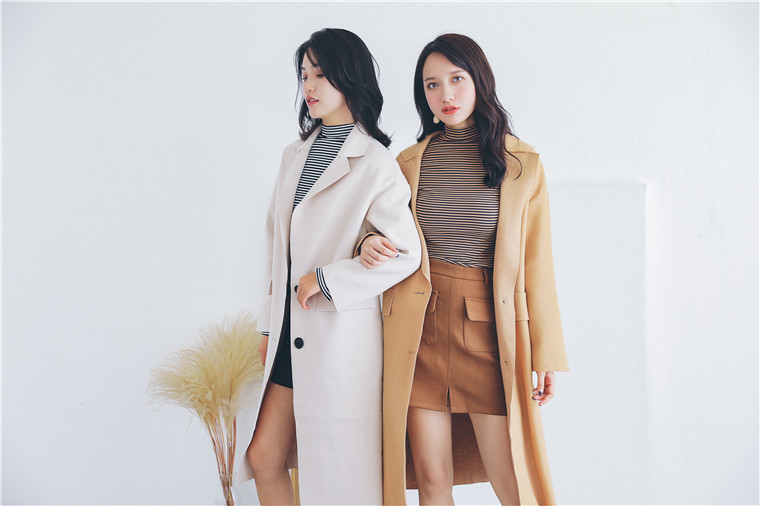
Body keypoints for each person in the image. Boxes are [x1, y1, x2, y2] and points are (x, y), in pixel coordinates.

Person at [359, 33, 569, 505]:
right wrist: (369, 241)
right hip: (419, 331)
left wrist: (545, 353)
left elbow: (538, 263)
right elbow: (376, 231)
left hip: (490, 334)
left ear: (480, 81)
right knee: (432, 481)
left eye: (456, 79)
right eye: (432, 85)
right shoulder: (407, 163)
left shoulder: (521, 164)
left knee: (511, 480)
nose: (446, 94)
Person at [239, 28, 421, 506]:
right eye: (304, 75)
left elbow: (406, 253)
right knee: (263, 457)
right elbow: (276, 246)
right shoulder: (293, 155)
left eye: (320, 74)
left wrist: (326, 280)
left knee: (340, 478)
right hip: (288, 331)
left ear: (348, 76)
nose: (310, 86)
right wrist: (267, 326)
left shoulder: (375, 161)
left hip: (338, 339)